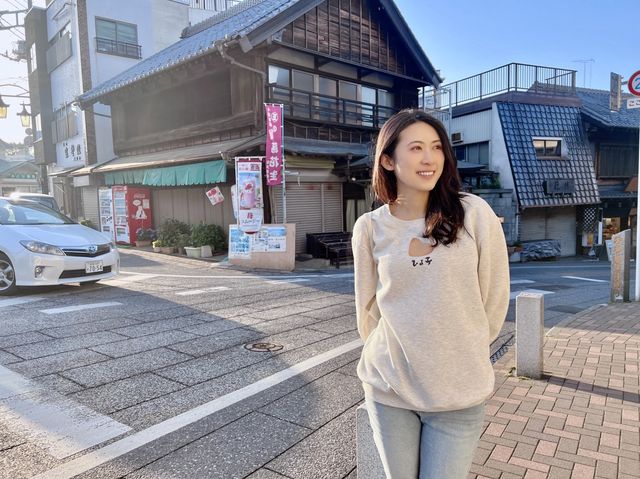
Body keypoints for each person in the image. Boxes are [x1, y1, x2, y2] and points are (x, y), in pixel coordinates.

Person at [352, 109, 510, 478]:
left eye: (437, 147)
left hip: (458, 392)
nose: (429, 158)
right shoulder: (370, 227)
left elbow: (494, 295)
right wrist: (388, 355)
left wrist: (461, 351)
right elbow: (368, 311)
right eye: (417, 147)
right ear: (388, 160)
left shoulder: (473, 213)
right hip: (390, 389)